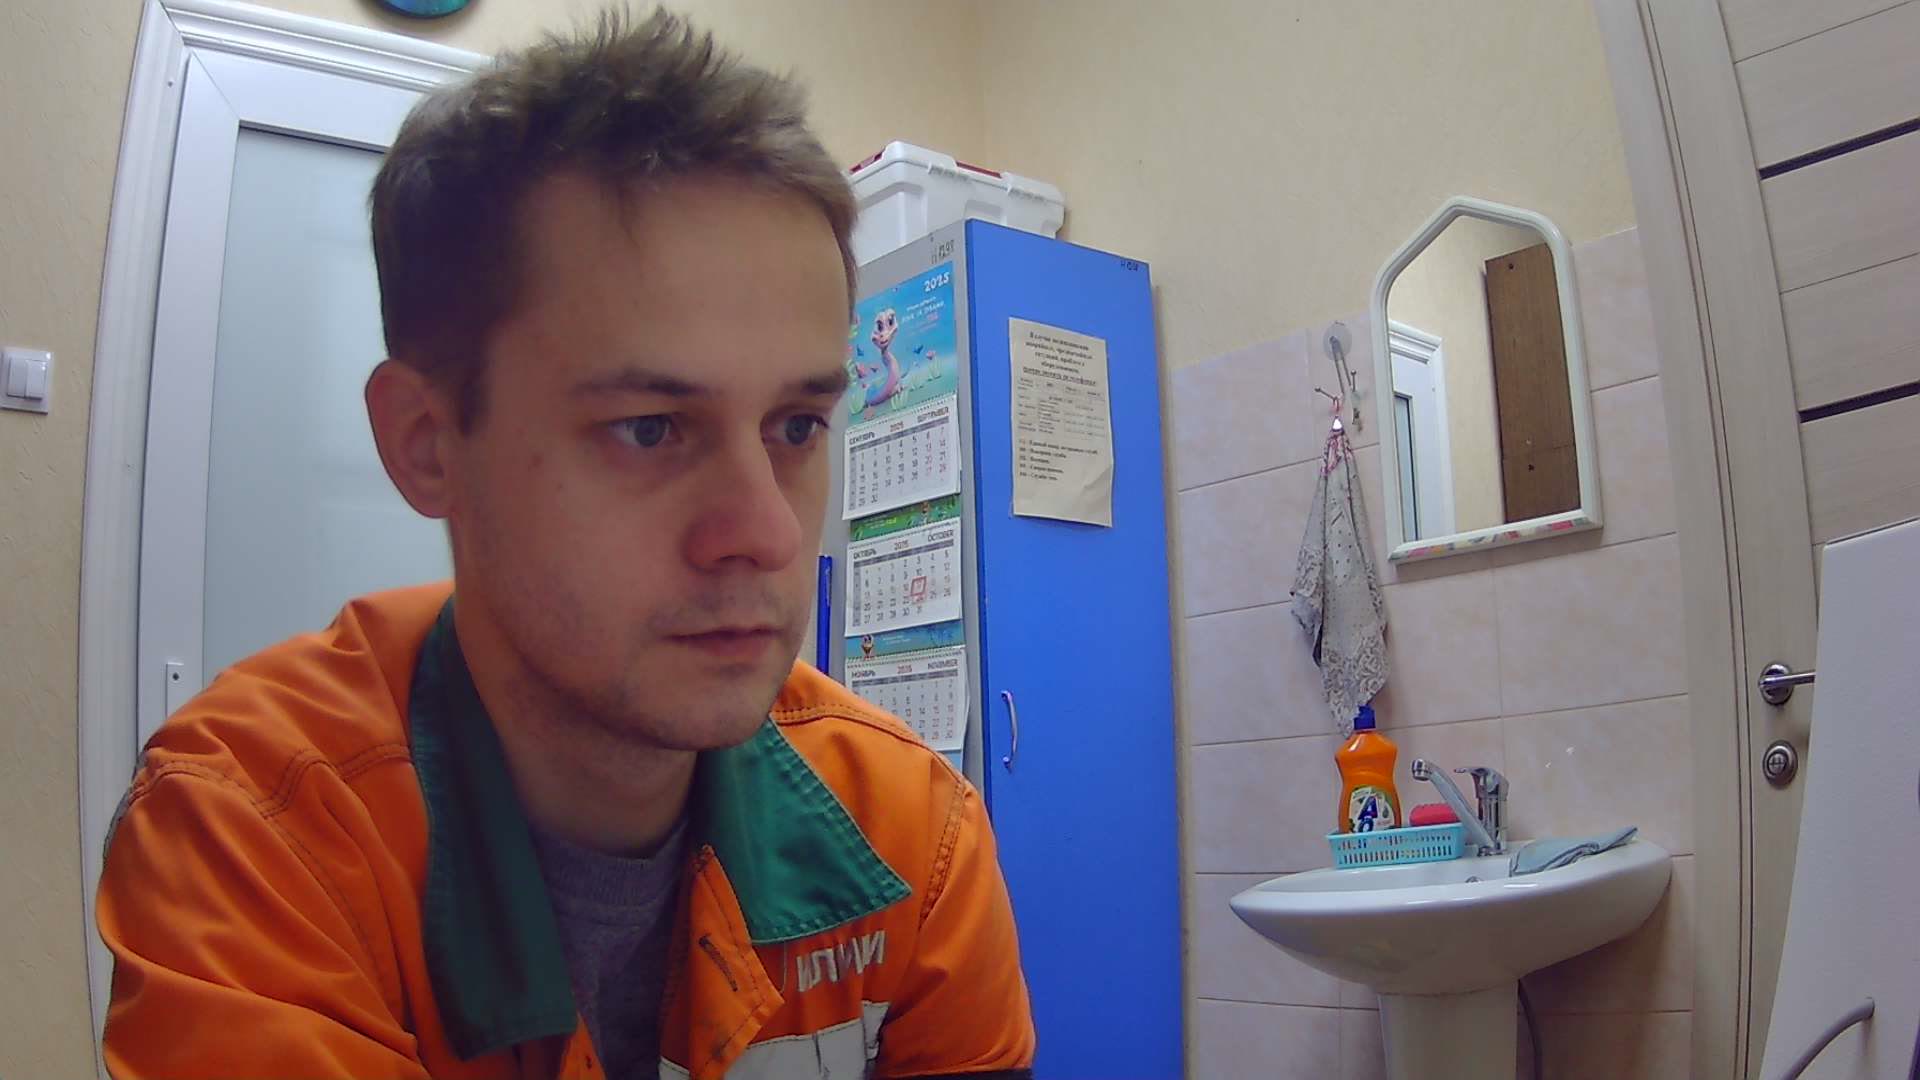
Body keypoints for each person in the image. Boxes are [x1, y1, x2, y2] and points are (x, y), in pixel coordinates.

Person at [94, 9, 1034, 1079]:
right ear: (427, 445)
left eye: (796, 427)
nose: (770, 534)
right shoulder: (254, 835)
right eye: (651, 429)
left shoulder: (912, 833)